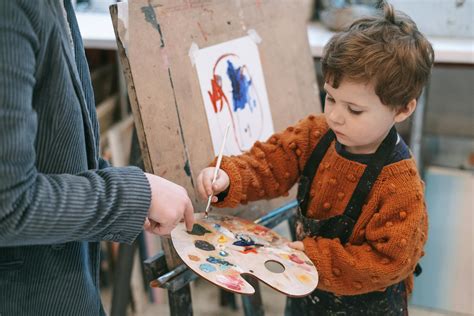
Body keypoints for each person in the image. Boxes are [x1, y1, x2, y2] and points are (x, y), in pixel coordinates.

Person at [196, 1, 433, 315]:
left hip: (367, 305)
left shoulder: (401, 187)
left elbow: (390, 263)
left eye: (354, 110)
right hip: (305, 291)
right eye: (330, 98)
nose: (335, 116)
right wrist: (229, 177)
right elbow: (269, 164)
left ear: (403, 109)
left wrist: (317, 259)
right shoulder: (316, 134)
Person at [0, 1, 194, 315]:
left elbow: (54, 150)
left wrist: (129, 191)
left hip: (62, 280)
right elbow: (7, 203)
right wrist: (133, 195)